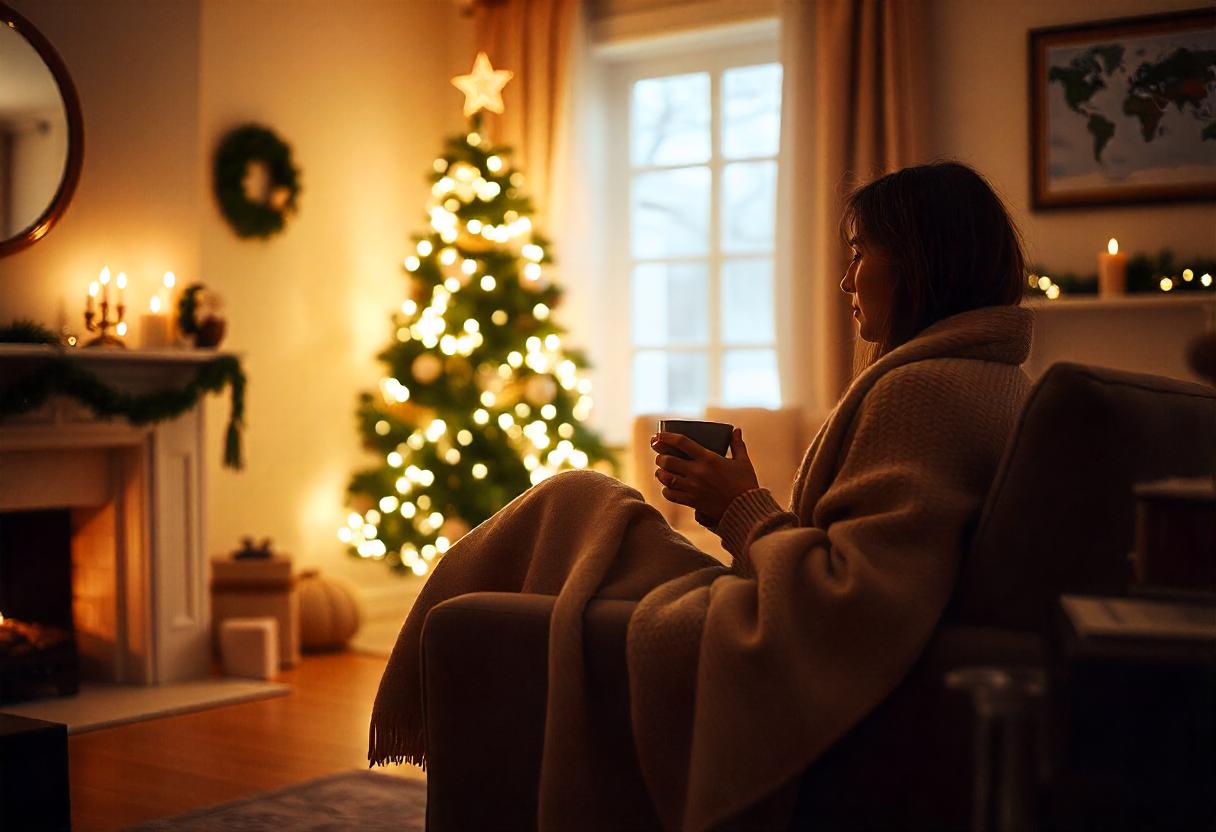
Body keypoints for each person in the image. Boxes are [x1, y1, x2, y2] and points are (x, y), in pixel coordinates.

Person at [370, 160, 1033, 832]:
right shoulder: (985, 380)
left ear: (920, 261)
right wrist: (734, 507)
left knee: (574, 502)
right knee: (578, 501)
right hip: (772, 598)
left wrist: (742, 506)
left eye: (860, 253)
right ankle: (432, 708)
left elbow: (845, 602)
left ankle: (418, 709)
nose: (844, 279)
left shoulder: (923, 392)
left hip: (773, 628)